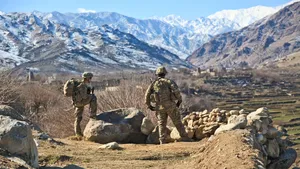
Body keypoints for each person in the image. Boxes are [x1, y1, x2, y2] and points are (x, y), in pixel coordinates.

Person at [145, 66, 191, 144]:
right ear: (165, 73)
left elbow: (147, 95)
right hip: (170, 106)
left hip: (159, 107)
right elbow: (176, 91)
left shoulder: (153, 84)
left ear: (157, 74)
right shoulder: (169, 81)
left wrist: (149, 105)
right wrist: (179, 100)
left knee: (161, 124)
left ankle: (162, 140)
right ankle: (184, 137)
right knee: (177, 121)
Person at [72, 72, 97, 137]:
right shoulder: (82, 85)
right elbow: (85, 96)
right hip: (80, 102)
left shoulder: (81, 84)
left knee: (78, 118)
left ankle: (78, 133)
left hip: (77, 103)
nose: (91, 79)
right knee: (94, 98)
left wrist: (89, 90)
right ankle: (93, 115)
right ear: (87, 78)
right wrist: (90, 93)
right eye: (90, 78)